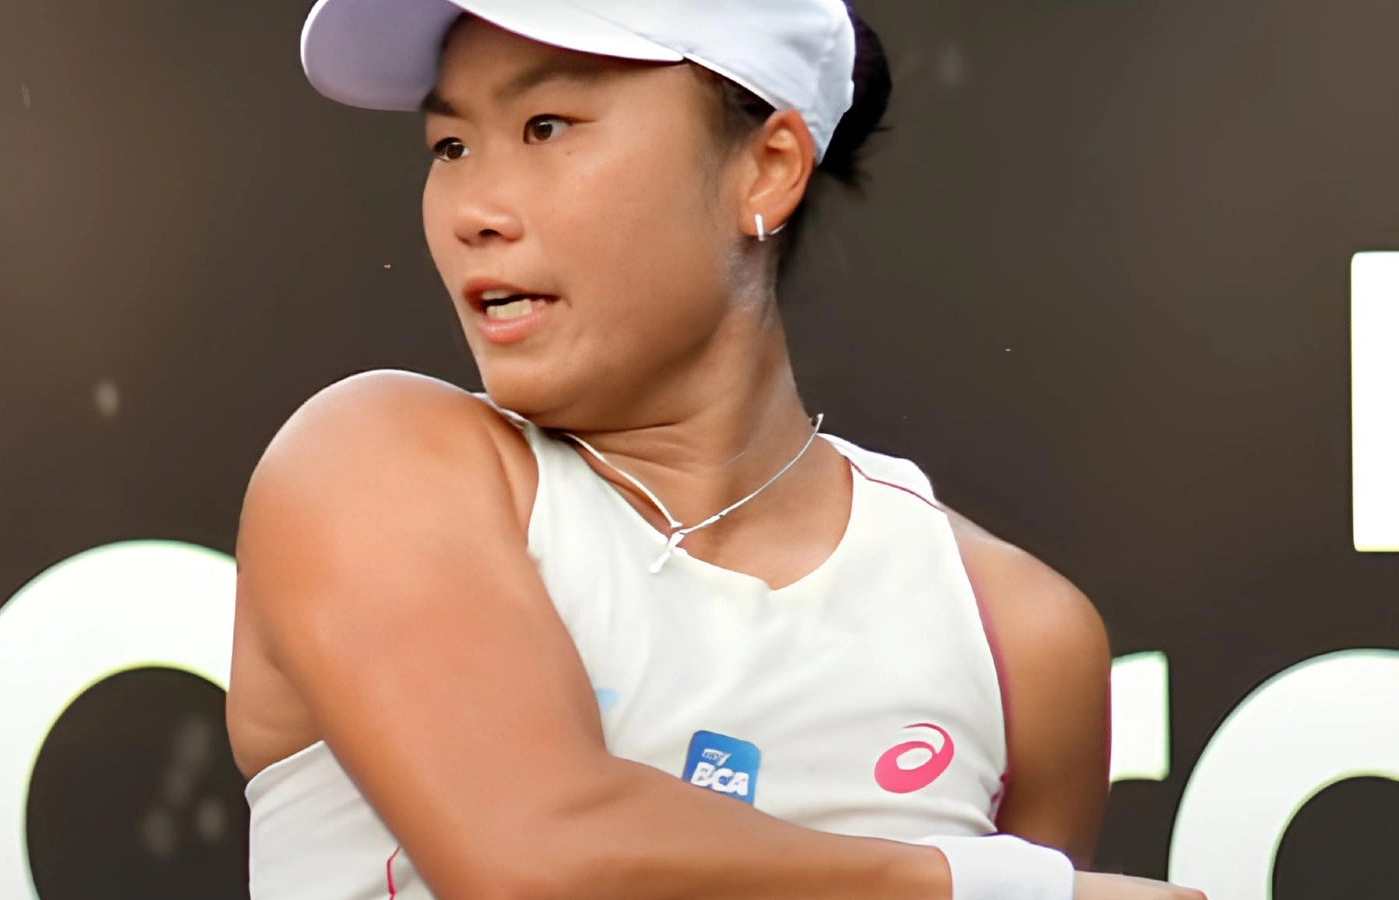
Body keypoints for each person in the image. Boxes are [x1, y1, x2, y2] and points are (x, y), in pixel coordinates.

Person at [225, 1, 1206, 898]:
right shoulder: (368, 462)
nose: (475, 207)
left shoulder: (1021, 639)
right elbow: (536, 858)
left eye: (546, 127)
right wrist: (990, 889)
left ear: (768, 166)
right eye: (450, 145)